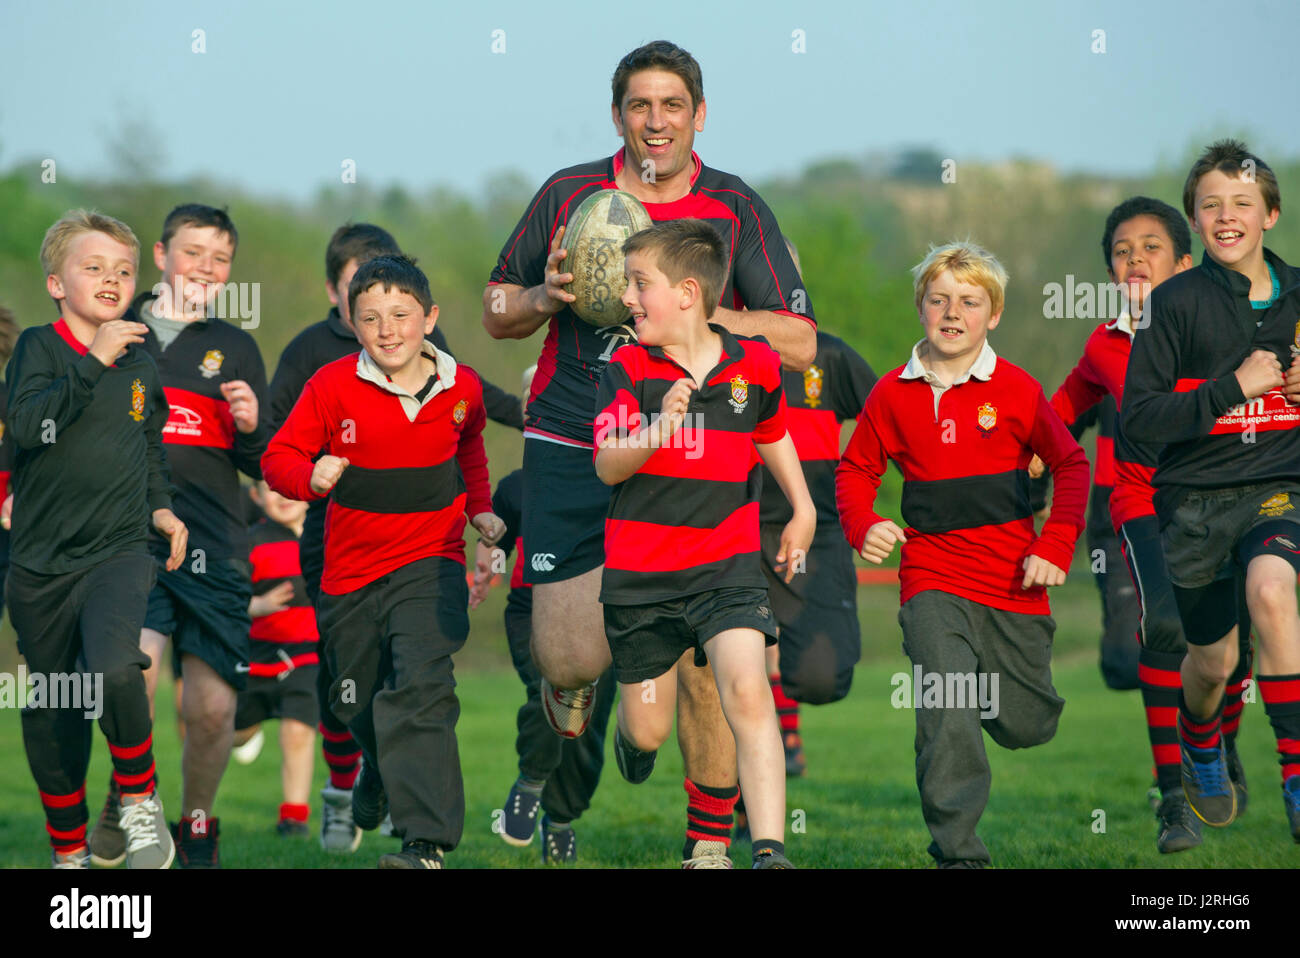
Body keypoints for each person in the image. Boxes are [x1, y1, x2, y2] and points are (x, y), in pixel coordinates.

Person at [483, 39, 814, 867]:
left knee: (711, 658)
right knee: (566, 655)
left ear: (698, 116)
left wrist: (711, 321)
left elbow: (802, 340)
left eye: (672, 105)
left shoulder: (735, 206)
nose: (655, 121)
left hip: (691, 449)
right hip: (571, 435)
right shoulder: (569, 193)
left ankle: (707, 848)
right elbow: (494, 307)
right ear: (618, 115)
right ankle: (587, 692)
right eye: (640, 105)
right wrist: (539, 296)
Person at [265, 221, 523, 851]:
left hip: (429, 565)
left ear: (429, 317)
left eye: (401, 315)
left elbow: (469, 450)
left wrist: (481, 512)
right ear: (352, 323)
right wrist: (310, 474)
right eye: (371, 317)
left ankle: (424, 846)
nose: (388, 330)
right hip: (349, 575)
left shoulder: (460, 388)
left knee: (422, 691)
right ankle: (375, 770)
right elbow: (278, 459)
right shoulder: (330, 387)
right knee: (355, 702)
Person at [837, 241, 1088, 866]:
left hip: (1014, 583)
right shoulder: (892, 394)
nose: (953, 313)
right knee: (946, 705)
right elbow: (854, 471)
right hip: (931, 578)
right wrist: (862, 523)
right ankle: (959, 853)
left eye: (969, 302)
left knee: (1028, 723)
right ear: (920, 306)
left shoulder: (1016, 389)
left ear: (992, 314)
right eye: (939, 299)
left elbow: (1072, 463)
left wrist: (1055, 544)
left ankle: (997, 694)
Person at [594, 218, 813, 868]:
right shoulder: (626, 366)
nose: (627, 298)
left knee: (747, 692)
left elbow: (771, 431)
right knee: (649, 726)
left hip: (728, 568)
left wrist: (801, 508)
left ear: (688, 293)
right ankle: (631, 742)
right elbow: (608, 463)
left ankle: (768, 850)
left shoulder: (757, 363)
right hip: (641, 579)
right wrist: (660, 426)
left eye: (640, 284)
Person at [1122, 139, 1300, 841]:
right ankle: (1201, 742)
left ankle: (1293, 772)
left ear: (1271, 214)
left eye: (1242, 203)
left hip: (1278, 489)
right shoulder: (1172, 304)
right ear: (1196, 221)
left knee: (1272, 594)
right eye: (1210, 205)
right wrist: (1232, 390)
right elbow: (1139, 419)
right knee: (1213, 664)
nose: (1226, 216)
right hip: (1192, 503)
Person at [87, 204, 268, 869]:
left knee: (214, 712)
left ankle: (196, 827)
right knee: (131, 673)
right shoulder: (113, 330)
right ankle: (129, 794)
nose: (206, 269)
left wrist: (251, 426)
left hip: (216, 548)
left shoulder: (237, 344)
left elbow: (265, 464)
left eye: (219, 259)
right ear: (162, 256)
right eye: (193, 253)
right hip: (128, 541)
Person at [10, 209, 187, 868]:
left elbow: (149, 452)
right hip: (39, 567)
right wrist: (91, 361)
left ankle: (140, 802)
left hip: (119, 552)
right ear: (57, 283)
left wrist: (163, 511)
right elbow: (29, 427)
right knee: (54, 712)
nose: (112, 279)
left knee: (115, 669)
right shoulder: (37, 348)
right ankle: (70, 855)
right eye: (94, 267)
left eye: (123, 270)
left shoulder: (142, 365)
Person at [470, 365, 615, 863]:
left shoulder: (613, 475)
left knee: (588, 726)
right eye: (534, 396)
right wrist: (488, 562)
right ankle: (530, 780)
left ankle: (563, 816)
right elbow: (497, 540)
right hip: (529, 610)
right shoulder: (516, 486)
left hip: (602, 615)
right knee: (548, 692)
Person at [757, 238, 876, 781]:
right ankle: (757, 769)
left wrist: (851, 478)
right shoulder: (716, 355)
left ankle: (787, 735)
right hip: (736, 524)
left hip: (816, 529)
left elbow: (884, 417)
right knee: (746, 654)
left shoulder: (826, 356)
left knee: (820, 674)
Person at [229, 480, 320, 839]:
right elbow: (228, 600)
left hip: (305, 658)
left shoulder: (324, 536)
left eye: (289, 487)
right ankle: (246, 733)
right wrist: (258, 606)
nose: (282, 497)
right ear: (257, 496)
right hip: (254, 660)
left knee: (298, 733)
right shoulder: (251, 541)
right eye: (272, 489)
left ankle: (294, 817)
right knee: (233, 734)